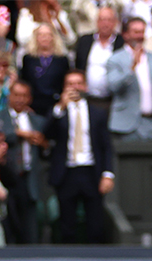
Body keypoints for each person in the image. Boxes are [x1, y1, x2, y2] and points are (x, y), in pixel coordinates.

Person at [46, 70, 115, 243]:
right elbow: (47, 134)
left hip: (92, 172)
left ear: (85, 86)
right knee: (66, 225)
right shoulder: (58, 112)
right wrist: (60, 107)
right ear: (64, 88)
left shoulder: (98, 113)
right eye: (70, 84)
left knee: (95, 225)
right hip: (66, 172)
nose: (75, 87)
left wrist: (108, 174)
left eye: (78, 83)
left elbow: (106, 146)